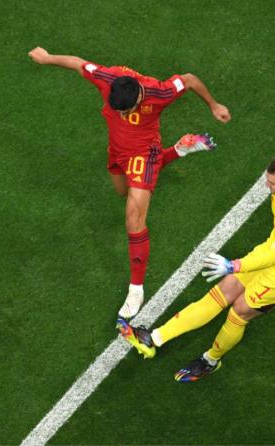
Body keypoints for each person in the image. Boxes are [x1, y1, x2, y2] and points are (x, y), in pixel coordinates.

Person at [28, 47, 231, 319]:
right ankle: (181, 149)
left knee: (133, 218)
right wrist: (48, 58)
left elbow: (190, 79)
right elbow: (78, 63)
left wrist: (214, 105)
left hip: (143, 154)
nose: (123, 115)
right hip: (117, 149)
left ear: (137, 100)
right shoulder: (107, 78)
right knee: (121, 191)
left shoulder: (159, 92)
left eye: (127, 112)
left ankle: (136, 289)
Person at [117, 155, 275, 382]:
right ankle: (154, 338)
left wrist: (234, 265)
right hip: (271, 252)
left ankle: (210, 360)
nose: (266, 186)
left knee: (239, 310)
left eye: (272, 183)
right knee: (222, 292)